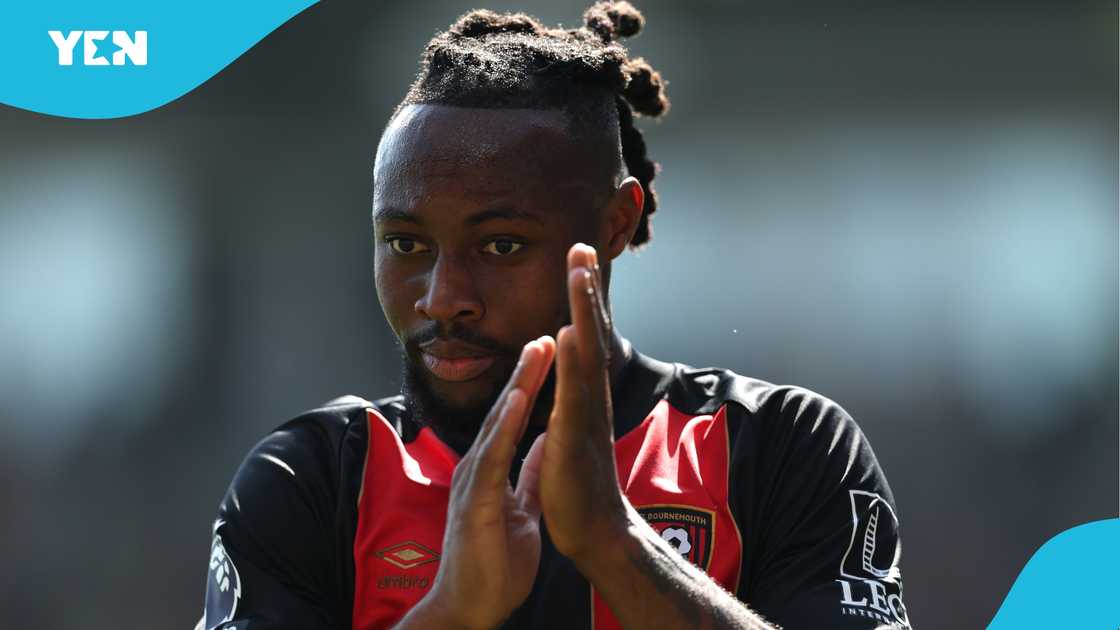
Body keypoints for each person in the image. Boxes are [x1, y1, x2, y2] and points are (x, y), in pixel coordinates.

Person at [198, 2, 911, 628]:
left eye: (501, 245)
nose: (442, 297)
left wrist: (614, 543)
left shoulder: (782, 448)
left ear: (615, 224)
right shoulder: (311, 480)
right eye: (407, 245)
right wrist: (452, 614)